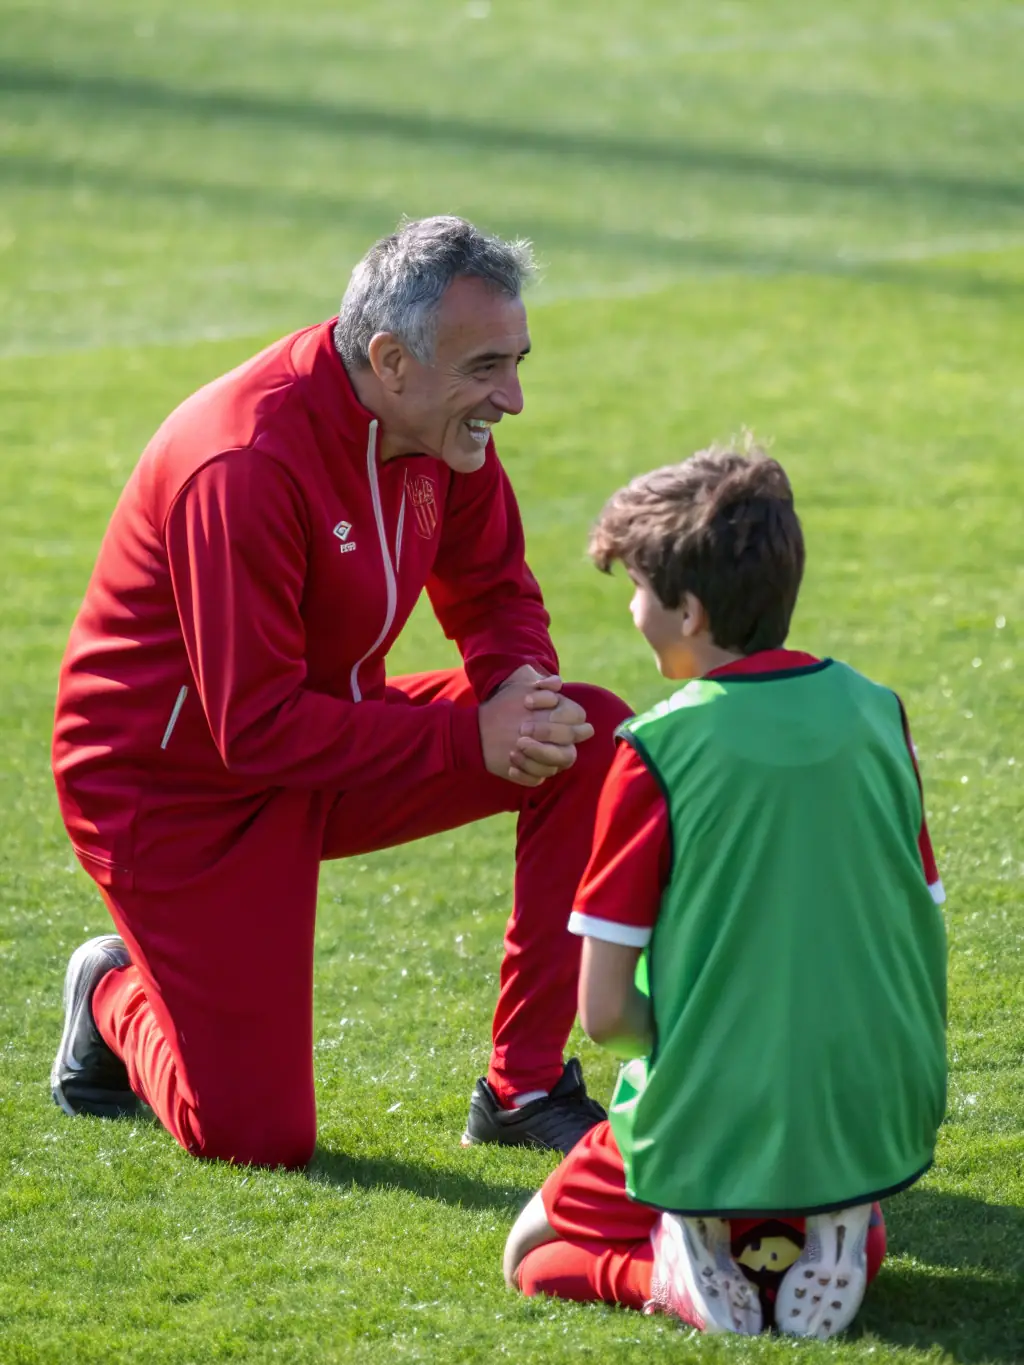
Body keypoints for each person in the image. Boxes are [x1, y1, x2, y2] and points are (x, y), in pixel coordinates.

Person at [50, 216, 632, 1167]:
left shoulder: (441, 428)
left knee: (589, 734)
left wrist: (518, 698)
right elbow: (255, 727)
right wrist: (463, 740)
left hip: (322, 739)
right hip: (171, 793)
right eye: (488, 366)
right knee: (256, 1137)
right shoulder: (243, 463)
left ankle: (523, 1090)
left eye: (518, 360)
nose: (514, 398)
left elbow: (491, 589)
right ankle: (112, 992)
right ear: (391, 359)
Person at [503, 446, 947, 1339]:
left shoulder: (655, 748)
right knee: (814, 1185)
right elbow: (918, 915)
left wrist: (708, 1037)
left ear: (689, 611)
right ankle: (833, 1232)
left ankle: (667, 1268)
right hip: (876, 1097)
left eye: (635, 587)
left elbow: (603, 1014)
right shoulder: (878, 710)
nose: (630, 608)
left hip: (709, 1106)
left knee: (529, 1252)